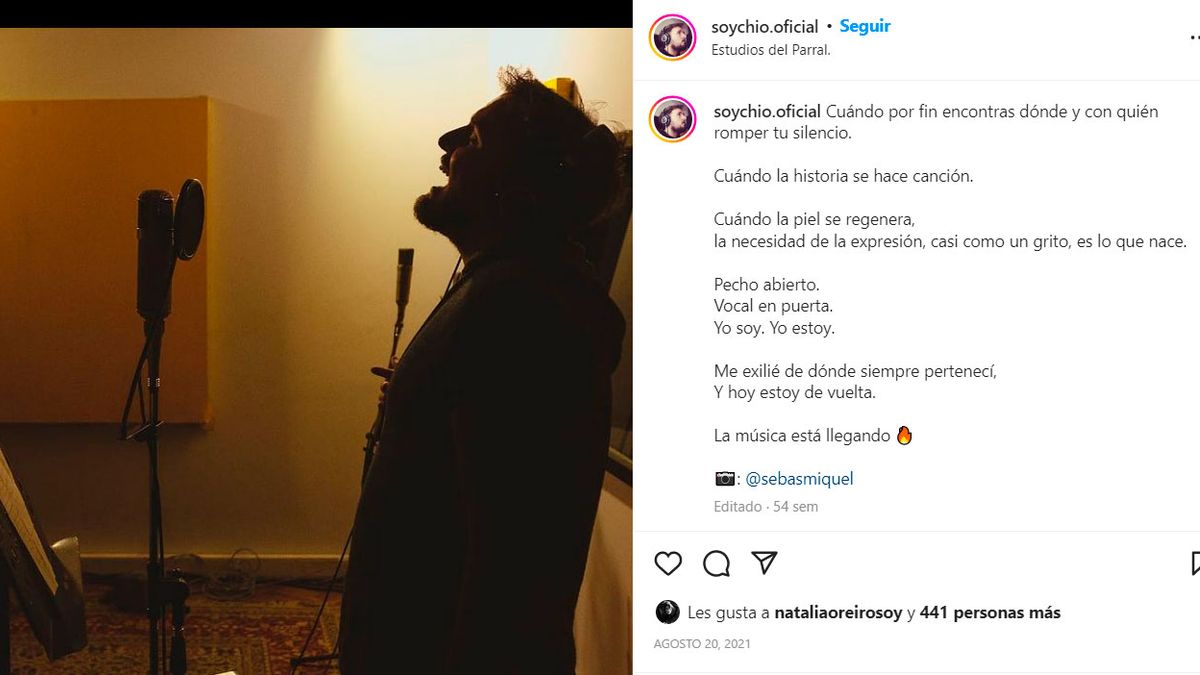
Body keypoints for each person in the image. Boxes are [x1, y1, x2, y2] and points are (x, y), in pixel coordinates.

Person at [338, 68, 626, 674]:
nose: (447, 151)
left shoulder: (522, 312)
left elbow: (512, 569)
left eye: (472, 139)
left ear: (518, 189)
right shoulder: (506, 294)